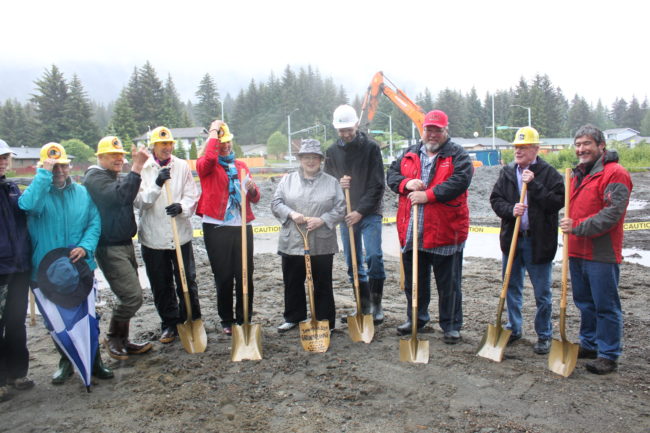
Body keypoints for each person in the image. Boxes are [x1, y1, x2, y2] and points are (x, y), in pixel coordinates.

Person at [18, 142, 112, 385]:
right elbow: (27, 206)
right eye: (54, 166)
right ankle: (65, 361)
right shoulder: (37, 193)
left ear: (70, 166)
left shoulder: (82, 193)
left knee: (88, 317)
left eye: (63, 165)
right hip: (46, 271)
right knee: (55, 321)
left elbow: (94, 222)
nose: (60, 171)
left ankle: (95, 360)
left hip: (81, 268)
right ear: (45, 167)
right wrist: (43, 174)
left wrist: (86, 246)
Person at [386, 110, 472, 344]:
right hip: (413, 230)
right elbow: (391, 175)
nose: (432, 134)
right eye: (429, 129)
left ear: (446, 130)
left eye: (437, 130)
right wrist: (406, 183)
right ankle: (416, 318)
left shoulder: (458, 155)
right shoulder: (409, 153)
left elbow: (460, 181)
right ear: (422, 130)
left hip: (445, 231)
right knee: (416, 282)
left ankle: (451, 325)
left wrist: (428, 195)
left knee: (449, 284)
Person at [560, 124, 632, 375]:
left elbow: (612, 214)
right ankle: (589, 344)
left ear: (601, 146)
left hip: (602, 253)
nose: (581, 149)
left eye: (587, 143)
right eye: (578, 144)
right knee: (585, 303)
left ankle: (608, 353)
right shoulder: (577, 174)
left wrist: (576, 226)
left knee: (605, 305)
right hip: (577, 250)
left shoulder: (615, 174)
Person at [489, 126, 564, 355]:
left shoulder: (549, 173)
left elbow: (557, 202)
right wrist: (511, 209)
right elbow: (495, 199)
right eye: (516, 147)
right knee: (511, 287)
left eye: (523, 147)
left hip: (538, 243)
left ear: (535, 149)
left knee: (542, 292)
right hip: (513, 240)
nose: (518, 151)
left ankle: (544, 335)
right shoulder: (508, 172)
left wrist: (535, 186)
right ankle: (514, 327)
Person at [83, 136, 153, 360]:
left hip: (124, 243)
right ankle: (113, 337)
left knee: (128, 295)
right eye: (113, 155)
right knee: (132, 296)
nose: (119, 159)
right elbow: (120, 196)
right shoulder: (95, 178)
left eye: (121, 155)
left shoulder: (112, 176)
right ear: (100, 157)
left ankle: (123, 340)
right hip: (109, 246)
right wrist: (137, 167)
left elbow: (127, 195)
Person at [135, 126, 201, 344]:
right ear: (154, 145)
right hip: (154, 237)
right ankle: (169, 324)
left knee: (187, 279)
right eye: (163, 144)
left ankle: (191, 318)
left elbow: (192, 195)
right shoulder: (144, 168)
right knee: (161, 284)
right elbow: (140, 202)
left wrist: (181, 207)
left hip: (180, 235)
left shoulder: (181, 166)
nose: (167, 147)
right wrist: (157, 184)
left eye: (170, 144)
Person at [271, 139, 345, 332]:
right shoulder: (287, 180)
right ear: (300, 159)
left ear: (321, 160)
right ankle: (294, 317)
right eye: (306, 157)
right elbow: (276, 203)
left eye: (314, 157)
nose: (310, 161)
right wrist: (291, 214)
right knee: (293, 281)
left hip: (321, 243)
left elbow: (340, 208)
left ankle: (324, 320)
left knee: (322, 283)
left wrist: (323, 220)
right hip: (292, 241)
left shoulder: (331, 183)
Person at [196, 120, 260, 336]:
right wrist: (214, 131)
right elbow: (211, 157)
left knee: (245, 274)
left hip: (242, 225)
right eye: (221, 142)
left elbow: (256, 197)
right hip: (217, 227)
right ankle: (227, 319)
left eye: (228, 142)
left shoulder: (241, 166)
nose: (225, 146)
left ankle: (245, 318)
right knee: (223, 276)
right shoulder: (206, 165)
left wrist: (252, 190)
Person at [324, 104, 386, 324]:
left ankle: (376, 306)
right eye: (341, 130)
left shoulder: (371, 148)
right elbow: (327, 184)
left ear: (357, 125)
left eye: (349, 129)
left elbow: (378, 185)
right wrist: (337, 184)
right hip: (346, 214)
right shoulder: (331, 152)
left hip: (369, 213)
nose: (346, 133)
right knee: (353, 262)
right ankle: (363, 305)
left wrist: (361, 211)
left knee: (374, 257)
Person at [0, 139, 32, 401]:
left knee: (15, 321)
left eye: (5, 157)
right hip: (0, 269)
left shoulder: (12, 188)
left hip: (19, 267)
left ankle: (17, 373)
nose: (2, 161)